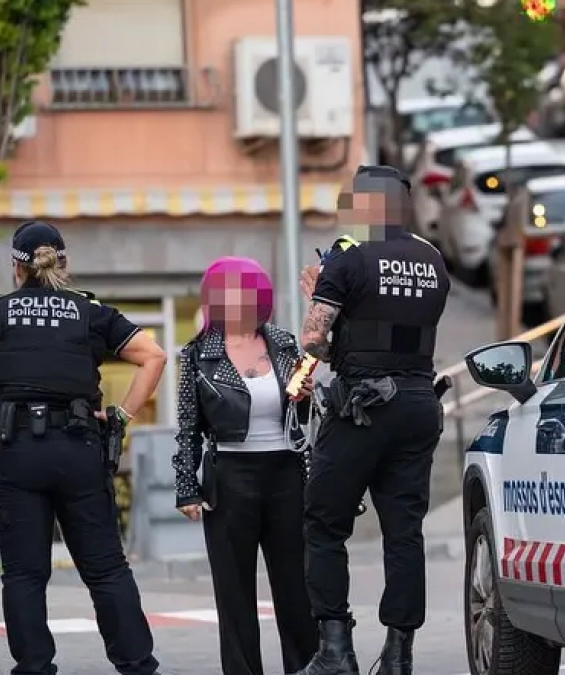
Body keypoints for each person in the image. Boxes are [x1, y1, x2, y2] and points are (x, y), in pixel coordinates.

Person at [0, 220, 167, 675]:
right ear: (64, 263)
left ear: (16, 268)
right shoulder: (89, 311)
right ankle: (138, 665)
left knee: (24, 574)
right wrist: (122, 415)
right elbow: (154, 355)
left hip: (15, 452)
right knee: (106, 570)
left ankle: (35, 667)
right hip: (79, 450)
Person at [293, 165, 451, 675]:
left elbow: (313, 340)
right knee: (404, 533)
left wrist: (320, 297)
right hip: (419, 404)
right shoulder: (433, 259)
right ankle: (399, 655)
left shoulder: (349, 254)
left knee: (324, 523)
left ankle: (335, 651)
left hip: (361, 406)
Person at [172, 256, 318, 675]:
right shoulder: (199, 354)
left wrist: (305, 397)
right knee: (234, 594)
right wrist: (187, 486)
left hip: (286, 473)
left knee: (296, 591)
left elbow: (302, 417)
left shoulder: (284, 343)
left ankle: (305, 668)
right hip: (229, 478)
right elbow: (188, 425)